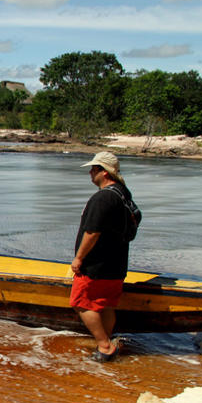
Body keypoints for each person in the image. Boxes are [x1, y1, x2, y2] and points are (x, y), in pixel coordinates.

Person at [71, 151, 134, 362]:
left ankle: (104, 346)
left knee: (82, 303)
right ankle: (108, 342)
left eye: (94, 169)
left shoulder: (103, 197)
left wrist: (79, 258)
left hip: (96, 265)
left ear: (104, 172)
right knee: (105, 304)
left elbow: (92, 232)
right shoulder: (123, 194)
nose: (90, 172)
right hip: (116, 263)